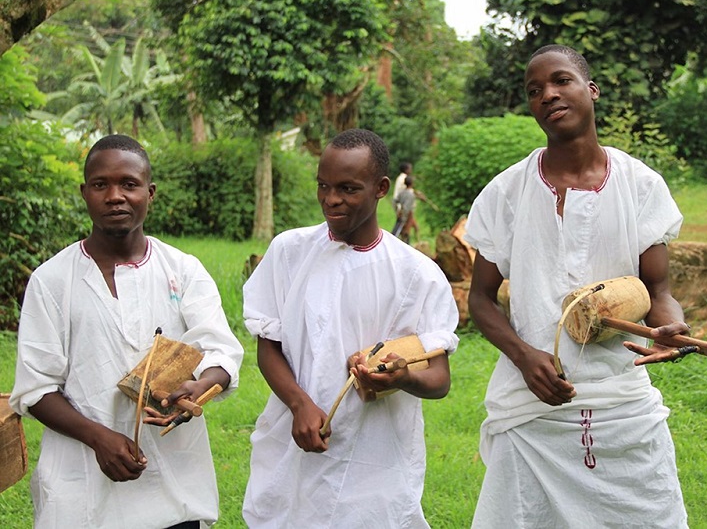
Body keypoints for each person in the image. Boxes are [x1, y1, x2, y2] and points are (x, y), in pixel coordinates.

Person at [464, 45, 707, 528]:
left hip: (622, 403)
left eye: (561, 81)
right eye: (534, 90)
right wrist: (525, 357)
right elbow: (481, 299)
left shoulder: (640, 185)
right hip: (532, 409)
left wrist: (671, 326)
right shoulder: (506, 192)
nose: (548, 94)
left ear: (591, 90)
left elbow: (658, 288)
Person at [10, 134, 244, 528]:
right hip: (83, 488)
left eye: (129, 184)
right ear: (84, 193)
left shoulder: (182, 271)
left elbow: (221, 353)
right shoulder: (52, 281)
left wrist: (198, 388)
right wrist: (98, 438)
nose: (115, 195)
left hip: (174, 486)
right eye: (101, 184)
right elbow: (36, 388)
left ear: (150, 194)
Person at [242, 128, 459, 528]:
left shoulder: (417, 275)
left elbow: (440, 379)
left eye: (347, 188)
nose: (331, 199)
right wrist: (299, 404)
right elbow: (268, 345)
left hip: (376, 459)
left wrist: (403, 375)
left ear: (381, 188)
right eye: (323, 186)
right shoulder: (289, 252)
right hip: (296, 448)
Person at [391, 175, 417, 242]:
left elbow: (394, 201)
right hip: (406, 216)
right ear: (412, 183)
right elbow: (407, 208)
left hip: (401, 214)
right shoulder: (411, 195)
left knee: (398, 230)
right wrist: (405, 217)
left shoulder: (402, 192)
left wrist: (397, 210)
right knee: (403, 232)